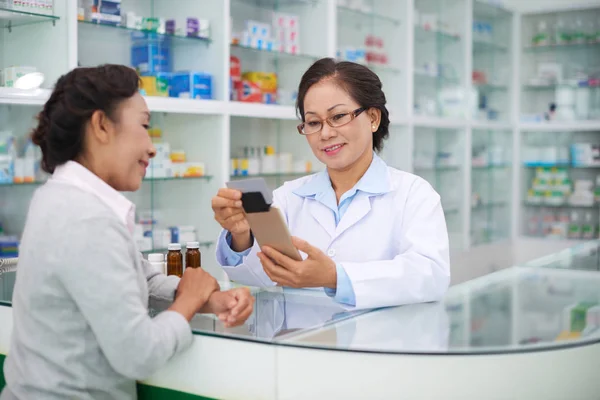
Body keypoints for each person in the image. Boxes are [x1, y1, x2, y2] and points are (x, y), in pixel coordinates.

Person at [0, 65, 254, 400]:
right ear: (101, 125)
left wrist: (210, 299)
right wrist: (190, 300)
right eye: (145, 126)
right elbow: (138, 354)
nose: (151, 148)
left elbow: (140, 281)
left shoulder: (65, 199)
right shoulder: (83, 219)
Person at [212, 58, 450, 310]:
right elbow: (257, 276)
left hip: (379, 344)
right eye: (313, 123)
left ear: (372, 118)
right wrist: (241, 235)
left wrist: (335, 277)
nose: (325, 134)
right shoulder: (289, 197)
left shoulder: (412, 193)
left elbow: (429, 275)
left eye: (338, 117)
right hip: (303, 343)